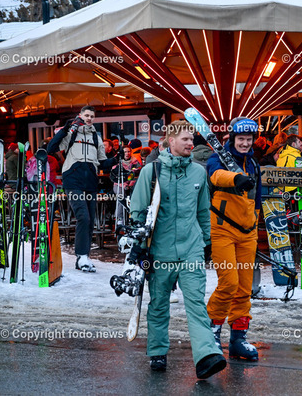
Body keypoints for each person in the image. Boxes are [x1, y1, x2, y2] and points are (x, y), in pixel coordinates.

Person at [129, 119, 226, 378]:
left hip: (191, 248)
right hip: (159, 250)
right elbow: (138, 213)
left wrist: (206, 243)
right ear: (170, 141)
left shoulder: (198, 173)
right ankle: (157, 352)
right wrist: (139, 248)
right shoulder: (151, 172)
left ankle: (206, 356)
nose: (190, 143)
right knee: (159, 303)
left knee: (195, 302)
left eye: (192, 139)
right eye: (185, 139)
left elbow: (203, 211)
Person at [207, 117, 262, 362]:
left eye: (248, 139)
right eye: (241, 139)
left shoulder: (254, 163)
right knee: (228, 283)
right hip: (222, 230)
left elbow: (256, 199)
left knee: (244, 288)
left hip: (248, 232)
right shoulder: (217, 158)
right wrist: (235, 178)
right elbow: (214, 175)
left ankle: (238, 338)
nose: (245, 143)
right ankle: (212, 332)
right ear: (232, 138)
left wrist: (256, 224)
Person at [47, 106, 117, 272]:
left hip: (90, 182)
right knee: (83, 217)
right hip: (73, 181)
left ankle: (83, 257)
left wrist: (116, 159)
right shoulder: (72, 133)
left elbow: (102, 163)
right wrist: (65, 128)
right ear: (80, 115)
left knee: (90, 219)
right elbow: (51, 148)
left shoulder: (96, 137)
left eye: (92, 116)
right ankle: (82, 256)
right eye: (86, 115)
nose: (89, 118)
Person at [112, 145, 142, 225]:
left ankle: (134, 216)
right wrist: (125, 185)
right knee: (121, 195)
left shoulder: (135, 161)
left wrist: (130, 184)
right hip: (119, 184)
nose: (127, 153)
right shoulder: (117, 161)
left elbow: (137, 174)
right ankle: (120, 218)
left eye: (128, 151)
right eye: (125, 152)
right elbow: (115, 175)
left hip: (131, 184)